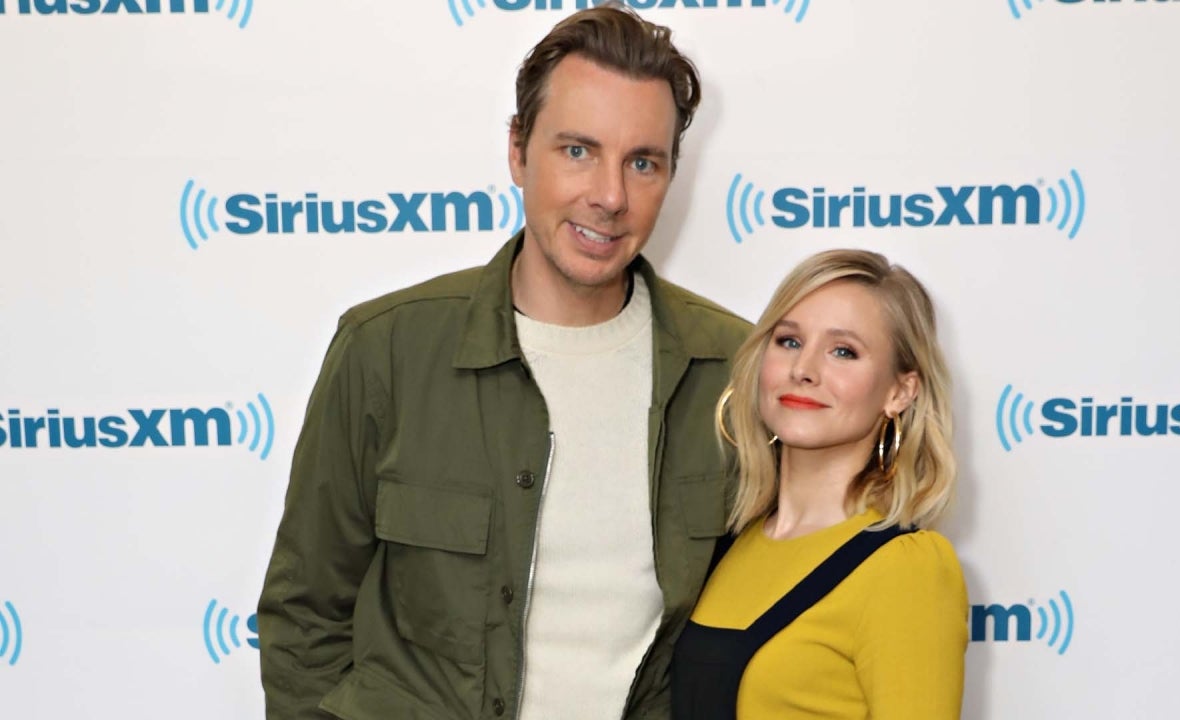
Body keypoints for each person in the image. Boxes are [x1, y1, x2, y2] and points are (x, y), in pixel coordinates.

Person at [256, 6, 749, 719]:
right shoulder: (386, 349)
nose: (610, 196)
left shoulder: (734, 370)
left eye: (643, 162)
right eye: (577, 150)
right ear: (518, 150)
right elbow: (306, 616)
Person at [671, 249, 968, 720]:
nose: (803, 369)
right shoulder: (730, 544)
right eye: (789, 341)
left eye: (843, 351)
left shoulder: (907, 568)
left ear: (900, 392)